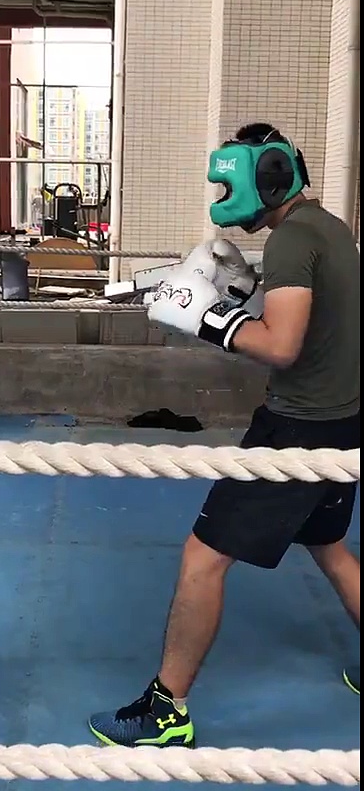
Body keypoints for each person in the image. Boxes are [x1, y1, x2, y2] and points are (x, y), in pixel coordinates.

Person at [88, 122, 360, 748]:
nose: (221, 192)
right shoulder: (328, 227)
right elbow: (317, 324)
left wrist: (207, 316)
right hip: (343, 420)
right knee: (330, 548)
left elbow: (282, 346)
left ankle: (167, 711)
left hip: (300, 428)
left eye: (226, 179)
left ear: (265, 176)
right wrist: (246, 293)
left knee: (202, 560)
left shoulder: (294, 240)